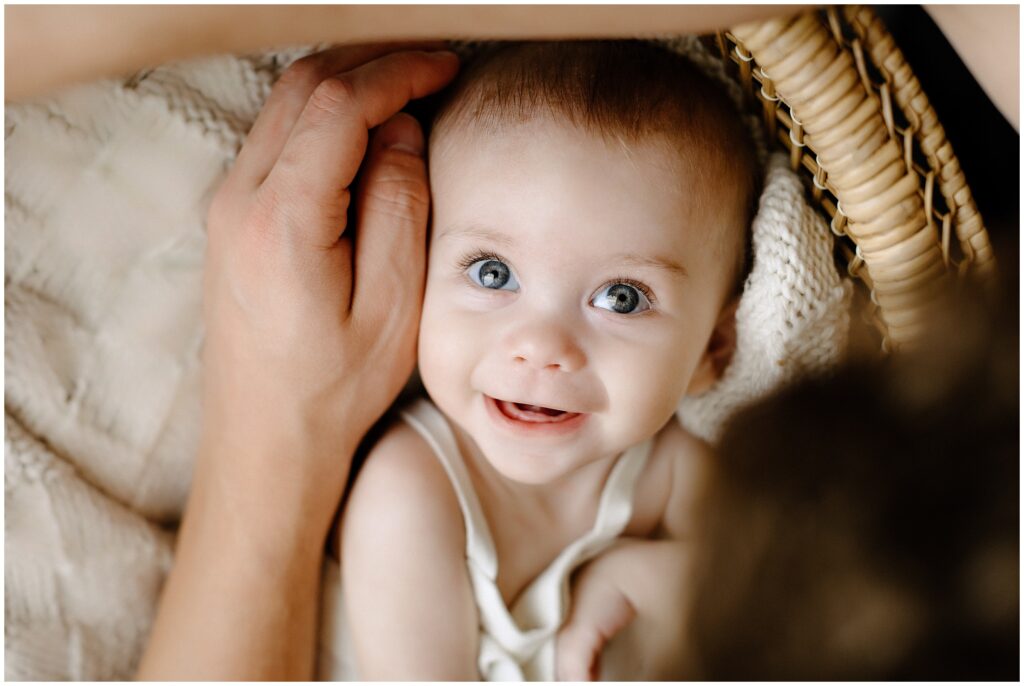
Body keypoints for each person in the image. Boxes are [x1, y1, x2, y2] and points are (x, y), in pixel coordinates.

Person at [330, 40, 760, 680]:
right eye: (493, 272)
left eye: (621, 297)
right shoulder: (412, 492)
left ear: (712, 350)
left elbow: (775, 606)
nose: (543, 347)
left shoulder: (667, 472)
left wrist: (641, 577)